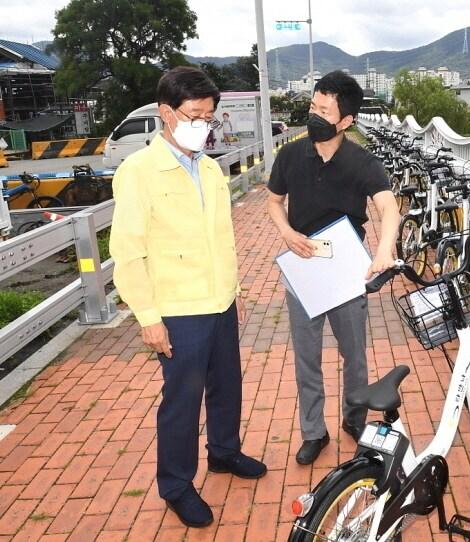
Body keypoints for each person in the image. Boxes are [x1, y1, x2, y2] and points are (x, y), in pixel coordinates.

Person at [109, 66, 266, 528]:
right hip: (178, 310)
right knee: (181, 398)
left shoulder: (212, 168)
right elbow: (127, 253)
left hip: (219, 301)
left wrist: (233, 290)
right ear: (166, 113)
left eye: (209, 116)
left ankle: (224, 451)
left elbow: (220, 237)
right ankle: (177, 485)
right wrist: (148, 317)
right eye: (195, 115)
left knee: (227, 386)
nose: (204, 124)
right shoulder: (139, 172)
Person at [267, 70, 399, 465]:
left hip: (346, 269)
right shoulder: (291, 154)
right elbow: (274, 201)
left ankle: (354, 418)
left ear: (346, 121)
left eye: (325, 110)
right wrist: (288, 233)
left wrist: (384, 249)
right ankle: (313, 432)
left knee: (354, 355)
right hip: (302, 267)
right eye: (313, 106)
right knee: (307, 357)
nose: (315, 115)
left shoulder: (361, 162)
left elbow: (388, 207)